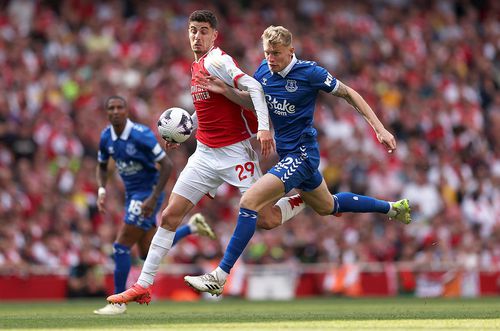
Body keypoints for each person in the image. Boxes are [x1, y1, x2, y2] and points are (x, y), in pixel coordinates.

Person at [183, 25, 411, 296]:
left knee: (249, 203)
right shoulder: (264, 72)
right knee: (328, 206)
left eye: (277, 53)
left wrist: (379, 128)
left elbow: (349, 93)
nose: (271, 59)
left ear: (291, 51)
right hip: (289, 155)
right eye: (267, 53)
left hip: (302, 155)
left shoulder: (310, 72)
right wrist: (225, 91)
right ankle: (393, 208)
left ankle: (220, 275)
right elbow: (255, 104)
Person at [106, 10, 311, 306]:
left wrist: (264, 130)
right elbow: (207, 108)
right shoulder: (197, 65)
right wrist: (185, 128)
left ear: (214, 35)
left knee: (265, 219)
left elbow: (255, 87)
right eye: (193, 30)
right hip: (203, 154)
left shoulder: (218, 61)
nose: (197, 36)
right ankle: (143, 285)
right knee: (169, 216)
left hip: (234, 153)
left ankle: (304, 197)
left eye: (203, 31)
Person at [93, 95, 216, 315]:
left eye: (120, 107)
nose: (115, 111)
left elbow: (166, 165)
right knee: (147, 252)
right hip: (133, 195)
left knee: (120, 246)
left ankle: (118, 303)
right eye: (111, 108)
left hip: (147, 193)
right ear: (107, 112)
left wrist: (153, 197)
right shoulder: (106, 137)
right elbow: (102, 166)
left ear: (127, 111)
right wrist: (102, 189)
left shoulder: (141, 135)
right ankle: (192, 227)